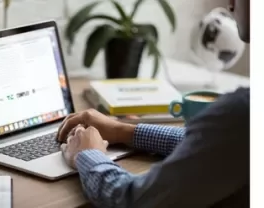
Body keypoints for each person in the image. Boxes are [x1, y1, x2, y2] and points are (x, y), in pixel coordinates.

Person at [57, 0, 250, 207]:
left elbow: (130, 200)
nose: (230, 3)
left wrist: (86, 154)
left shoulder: (243, 112)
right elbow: (214, 143)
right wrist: (123, 131)